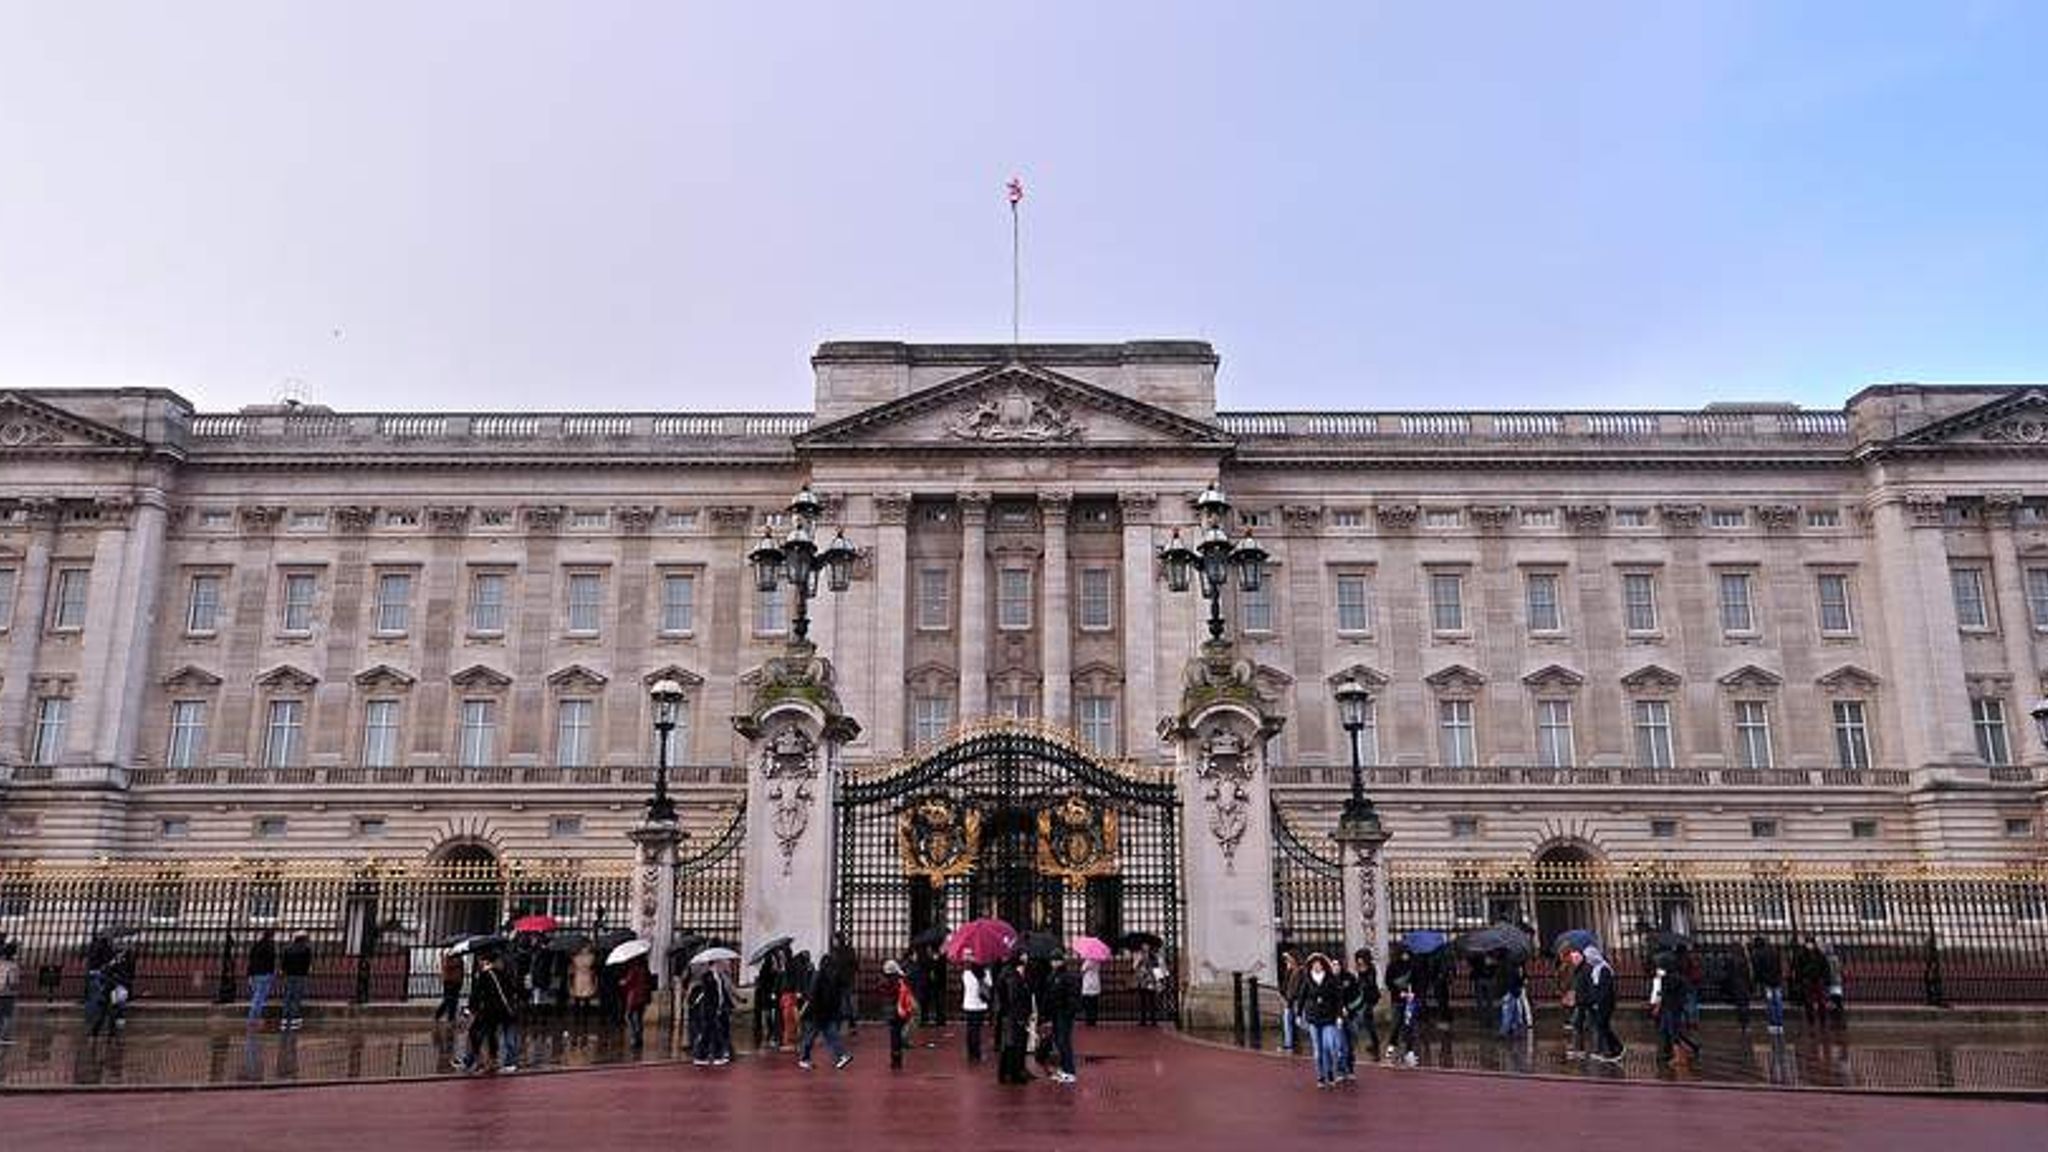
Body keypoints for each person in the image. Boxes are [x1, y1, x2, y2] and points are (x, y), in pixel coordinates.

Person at [456, 952, 518, 1073]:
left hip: (489, 1011)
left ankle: (475, 1061)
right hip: (500, 1011)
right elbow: (511, 990)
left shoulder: (485, 975)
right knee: (490, 1036)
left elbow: (477, 994)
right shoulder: (502, 974)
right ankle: (487, 1061)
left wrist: (470, 1009)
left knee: (476, 1034)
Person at [796, 953, 853, 1070]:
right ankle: (841, 1055)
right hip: (828, 1013)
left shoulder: (818, 975)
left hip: (815, 1013)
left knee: (809, 1036)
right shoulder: (835, 977)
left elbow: (812, 995)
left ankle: (804, 1059)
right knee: (832, 1036)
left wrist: (803, 1010)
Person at [1650, 952, 1701, 1064]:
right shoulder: (1673, 976)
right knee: (1667, 1031)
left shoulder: (1669, 978)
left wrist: (1657, 1007)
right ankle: (1688, 1049)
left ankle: (1680, 1057)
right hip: (1672, 1008)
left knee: (1673, 1032)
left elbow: (1664, 994)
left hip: (1671, 1008)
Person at [1575, 944, 1623, 1063]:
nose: (1588, 960)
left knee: (1603, 1026)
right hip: (1597, 1003)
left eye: (1589, 957)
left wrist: (1598, 1002)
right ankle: (1612, 1049)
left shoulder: (1604, 969)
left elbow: (1604, 990)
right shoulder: (1595, 970)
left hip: (1604, 1004)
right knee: (1602, 1026)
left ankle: (1617, 1049)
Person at [995, 952, 1034, 1084]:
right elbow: (1014, 997)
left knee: (1011, 1044)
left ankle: (1008, 1073)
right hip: (1014, 1015)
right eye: (1024, 955)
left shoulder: (1010, 973)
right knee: (1014, 1045)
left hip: (1011, 1014)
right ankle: (1013, 1074)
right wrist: (1020, 1016)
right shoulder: (1012, 975)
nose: (1026, 958)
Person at [1044, 953, 1080, 1083]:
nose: (1053, 963)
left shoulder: (1067, 976)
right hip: (1056, 1013)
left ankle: (1070, 1071)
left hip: (1063, 1014)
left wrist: (1069, 1012)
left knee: (1064, 1041)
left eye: (1056, 960)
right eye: (1052, 960)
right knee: (1058, 1042)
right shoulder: (1052, 976)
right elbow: (1048, 995)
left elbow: (1072, 996)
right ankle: (1064, 1069)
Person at [1347, 950, 1381, 1064]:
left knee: (1366, 1020)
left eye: (1361, 958)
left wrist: (1361, 979)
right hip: (1362, 998)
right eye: (1358, 958)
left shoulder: (1371, 968)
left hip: (1370, 997)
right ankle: (1374, 1043)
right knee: (1367, 1021)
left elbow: (1370, 983)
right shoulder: (1358, 968)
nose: (1359, 960)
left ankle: (1375, 1045)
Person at [883, 959, 917, 1069]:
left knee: (894, 1035)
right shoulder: (900, 980)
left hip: (891, 1010)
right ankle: (897, 1058)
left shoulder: (886, 981)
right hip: (900, 1010)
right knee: (898, 1034)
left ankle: (895, 1058)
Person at [960, 948, 990, 1063]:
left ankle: (971, 1054)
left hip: (968, 1004)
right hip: (979, 1005)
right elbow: (989, 985)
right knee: (977, 1030)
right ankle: (977, 1054)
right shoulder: (984, 972)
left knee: (970, 1030)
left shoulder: (966, 973)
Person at [1750, 935, 1786, 1034]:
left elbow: (1758, 970)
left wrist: (1757, 981)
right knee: (1778, 1001)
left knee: (1770, 1003)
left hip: (1767, 982)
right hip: (1776, 981)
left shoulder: (1757, 954)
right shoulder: (1774, 951)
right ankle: (1780, 1024)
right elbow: (1779, 965)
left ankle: (1773, 1024)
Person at [279, 931, 312, 1030]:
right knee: (297, 997)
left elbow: (283, 963)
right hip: (300, 975)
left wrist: (284, 971)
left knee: (287, 996)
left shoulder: (288, 948)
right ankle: (294, 1019)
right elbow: (307, 964)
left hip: (289, 975)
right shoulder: (306, 949)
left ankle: (284, 1019)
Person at [246, 930, 278, 1028]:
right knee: (259, 998)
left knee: (256, 997)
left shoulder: (256, 945)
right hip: (264, 974)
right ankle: (254, 1019)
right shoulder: (270, 946)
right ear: (271, 937)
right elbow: (271, 961)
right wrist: (272, 973)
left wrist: (249, 974)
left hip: (254, 973)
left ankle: (254, 1019)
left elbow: (251, 960)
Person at [755, 948, 785, 1049]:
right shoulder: (767, 969)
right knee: (768, 1013)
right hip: (767, 994)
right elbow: (765, 982)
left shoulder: (776, 967)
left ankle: (772, 1032)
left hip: (772, 993)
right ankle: (770, 1032)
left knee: (772, 1013)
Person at [622, 955, 653, 1054]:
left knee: (628, 1016)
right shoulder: (645, 969)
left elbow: (629, 982)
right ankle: (639, 1038)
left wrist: (623, 982)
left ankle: (634, 1037)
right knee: (639, 1017)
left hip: (634, 996)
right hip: (644, 996)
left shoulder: (634, 968)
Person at [568, 942, 598, 1035]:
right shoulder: (592, 958)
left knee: (578, 1001)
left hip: (578, 980)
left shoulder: (575, 958)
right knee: (585, 1001)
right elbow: (594, 969)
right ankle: (584, 1020)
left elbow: (571, 972)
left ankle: (577, 1020)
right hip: (587, 980)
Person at [1724, 941, 1754, 1031]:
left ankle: (1743, 1024)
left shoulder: (1732, 959)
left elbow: (1728, 974)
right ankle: (1746, 1024)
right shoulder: (1745, 959)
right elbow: (1749, 973)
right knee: (1745, 1005)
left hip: (1737, 985)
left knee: (1740, 1005)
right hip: (1745, 985)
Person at [1497, 952, 1528, 1037]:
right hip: (1512, 989)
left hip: (1508, 989)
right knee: (1512, 1010)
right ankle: (1509, 1029)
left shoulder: (1504, 963)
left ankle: (1507, 1029)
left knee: (1508, 1010)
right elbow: (1517, 977)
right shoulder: (1516, 965)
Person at [1278, 949, 1303, 1052]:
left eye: (1288, 959)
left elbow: (1297, 988)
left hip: (1295, 1001)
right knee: (1287, 1022)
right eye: (1286, 960)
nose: (1287, 961)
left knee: (1301, 1023)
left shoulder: (1300, 971)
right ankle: (1289, 1044)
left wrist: (1290, 1000)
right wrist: (1288, 971)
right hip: (1289, 1001)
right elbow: (1284, 986)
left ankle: (1292, 1043)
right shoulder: (1291, 971)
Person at [435, 950, 467, 1025]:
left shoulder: (459, 958)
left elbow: (461, 970)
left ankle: (450, 1017)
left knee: (454, 1000)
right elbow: (446, 966)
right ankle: (440, 1014)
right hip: (449, 981)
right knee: (448, 999)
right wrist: (456, 962)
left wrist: (461, 980)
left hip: (457, 981)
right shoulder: (448, 956)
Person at [1135, 945, 1164, 1027]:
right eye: (1143, 946)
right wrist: (1139, 961)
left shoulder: (1153, 957)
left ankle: (1153, 1020)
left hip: (1151, 981)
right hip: (1142, 981)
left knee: (1152, 1001)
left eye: (1146, 946)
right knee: (1142, 1002)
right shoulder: (1139, 956)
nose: (1145, 947)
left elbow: (1157, 968)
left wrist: (1159, 980)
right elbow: (1134, 967)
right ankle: (1143, 1020)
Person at [0, 941, 21, 1044]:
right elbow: (12, 981)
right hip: (7, 992)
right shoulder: (13, 966)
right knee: (7, 1015)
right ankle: (4, 1037)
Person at [1079, 955, 1102, 1026]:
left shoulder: (1088, 961)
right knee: (1094, 1003)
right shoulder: (1098, 961)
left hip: (1088, 983)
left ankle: (1089, 1019)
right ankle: (1093, 1019)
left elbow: (1082, 970)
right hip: (1095, 982)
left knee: (1088, 1003)